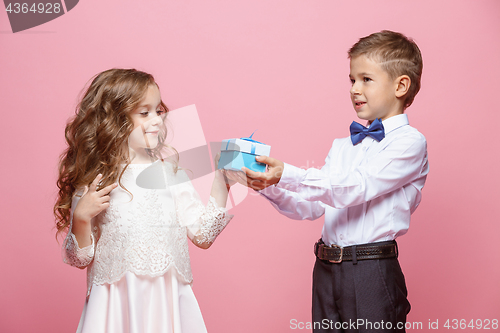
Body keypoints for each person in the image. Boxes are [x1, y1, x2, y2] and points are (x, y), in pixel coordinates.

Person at [225, 30, 429, 332]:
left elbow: (356, 187)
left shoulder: (410, 143)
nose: (354, 89)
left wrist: (289, 173)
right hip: (325, 269)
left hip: (370, 271)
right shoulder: (342, 146)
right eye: (351, 80)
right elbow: (310, 207)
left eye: (366, 79)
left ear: (401, 85)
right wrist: (270, 185)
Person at [54, 68, 234, 333]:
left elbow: (203, 236)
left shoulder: (171, 174)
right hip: (115, 308)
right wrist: (81, 217)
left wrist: (222, 181)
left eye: (158, 111)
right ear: (114, 119)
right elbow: (79, 258)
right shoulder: (98, 181)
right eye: (144, 112)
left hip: (167, 303)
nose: (158, 121)